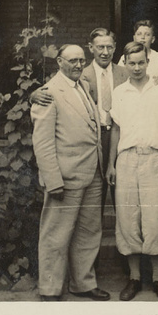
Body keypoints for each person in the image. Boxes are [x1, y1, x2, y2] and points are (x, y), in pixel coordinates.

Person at [30, 44, 110, 302]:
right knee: (56, 233)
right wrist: (53, 180)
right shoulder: (48, 93)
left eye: (81, 60)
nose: (78, 65)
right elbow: (42, 142)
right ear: (59, 63)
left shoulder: (83, 86)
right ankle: (50, 288)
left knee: (88, 232)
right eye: (72, 61)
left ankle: (82, 283)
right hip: (65, 177)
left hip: (92, 172)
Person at [106, 41, 158, 302]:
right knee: (128, 218)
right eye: (131, 63)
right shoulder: (119, 92)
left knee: (156, 217)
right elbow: (115, 128)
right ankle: (135, 278)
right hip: (126, 160)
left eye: (141, 62)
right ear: (125, 63)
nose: (136, 67)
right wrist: (111, 163)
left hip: (155, 159)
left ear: (148, 61)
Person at [31, 28, 129, 212]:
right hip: (92, 145)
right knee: (92, 206)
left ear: (115, 48)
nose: (105, 52)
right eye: (100, 47)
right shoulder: (79, 74)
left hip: (120, 139)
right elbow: (53, 91)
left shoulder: (126, 73)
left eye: (109, 47)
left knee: (123, 200)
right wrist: (33, 95)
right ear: (91, 48)